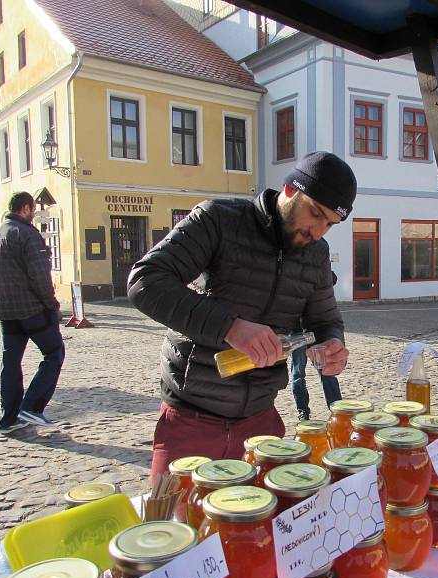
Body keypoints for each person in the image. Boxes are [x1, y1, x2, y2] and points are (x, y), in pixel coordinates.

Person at [128, 151, 355, 482]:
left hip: (261, 421)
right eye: (315, 214)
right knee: (177, 521)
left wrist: (332, 344)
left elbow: (324, 320)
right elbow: (145, 280)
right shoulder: (218, 219)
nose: (319, 232)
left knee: (261, 528)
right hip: (191, 416)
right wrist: (230, 327)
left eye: (330, 224)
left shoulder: (316, 255)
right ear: (290, 190)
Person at [0, 191, 64, 435]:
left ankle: (8, 419)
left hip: (6, 310)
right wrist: (52, 305)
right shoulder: (27, 234)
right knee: (54, 353)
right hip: (32, 309)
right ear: (26, 208)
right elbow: (40, 276)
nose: (33, 213)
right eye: (32, 208)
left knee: (10, 362)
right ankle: (31, 406)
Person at [291, 272, 342, 421]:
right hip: (296, 332)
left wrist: (313, 281)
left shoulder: (313, 265)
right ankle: (303, 411)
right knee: (298, 374)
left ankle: (336, 409)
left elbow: (332, 277)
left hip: (316, 331)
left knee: (326, 372)